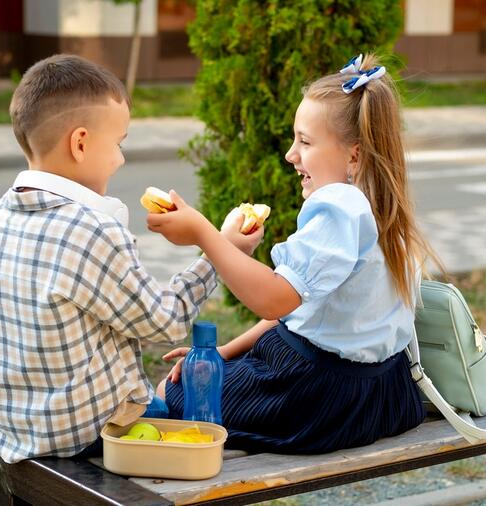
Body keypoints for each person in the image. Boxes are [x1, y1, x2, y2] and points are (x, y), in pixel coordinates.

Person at [0, 54, 261, 463]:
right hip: (92, 435)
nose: (121, 159)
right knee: (188, 403)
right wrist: (221, 250)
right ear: (80, 143)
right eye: (118, 144)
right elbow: (167, 322)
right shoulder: (93, 231)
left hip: (12, 432)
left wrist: (17, 390)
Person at [147, 53, 444, 454]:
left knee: (173, 394)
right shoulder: (382, 206)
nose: (291, 154)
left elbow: (275, 297)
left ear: (353, 155)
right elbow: (298, 314)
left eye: (304, 142)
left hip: (313, 398)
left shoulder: (339, 205)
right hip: (384, 393)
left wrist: (205, 234)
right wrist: (225, 351)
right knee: (208, 374)